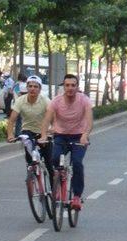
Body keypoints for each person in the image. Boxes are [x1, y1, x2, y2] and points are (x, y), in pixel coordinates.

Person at [40, 74, 93, 211]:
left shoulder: (84, 100)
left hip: (78, 137)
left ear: (77, 87)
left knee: (77, 163)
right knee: (54, 159)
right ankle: (59, 180)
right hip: (60, 136)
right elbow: (46, 120)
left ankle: (76, 196)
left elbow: (89, 121)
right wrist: (44, 135)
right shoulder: (56, 101)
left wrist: (85, 135)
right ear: (63, 87)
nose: (70, 88)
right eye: (67, 85)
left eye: (73, 85)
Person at [6, 75, 53, 182]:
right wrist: (10, 135)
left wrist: (53, 128)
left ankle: (54, 194)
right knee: (30, 158)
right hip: (28, 131)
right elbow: (12, 120)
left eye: (35, 87)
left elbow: (53, 117)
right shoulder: (20, 100)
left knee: (50, 164)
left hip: (44, 132)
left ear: (40, 89)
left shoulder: (45, 100)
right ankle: (32, 175)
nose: (32, 89)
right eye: (30, 86)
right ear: (26, 88)